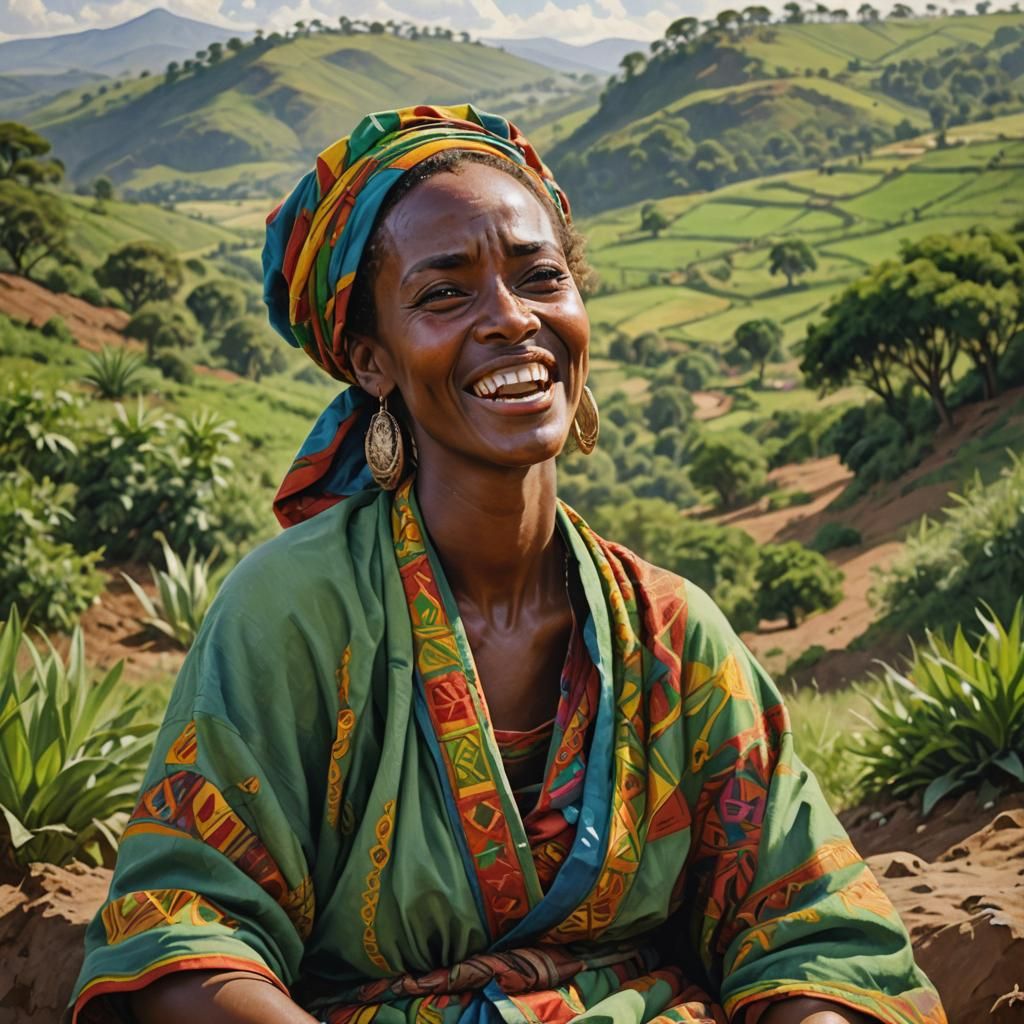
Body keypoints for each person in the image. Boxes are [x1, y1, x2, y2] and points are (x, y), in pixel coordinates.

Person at [69, 105, 945, 1024]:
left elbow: (809, 925)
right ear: (373, 361)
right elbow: (184, 929)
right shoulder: (293, 614)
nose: (511, 320)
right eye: (445, 294)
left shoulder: (671, 634)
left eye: (541, 277)